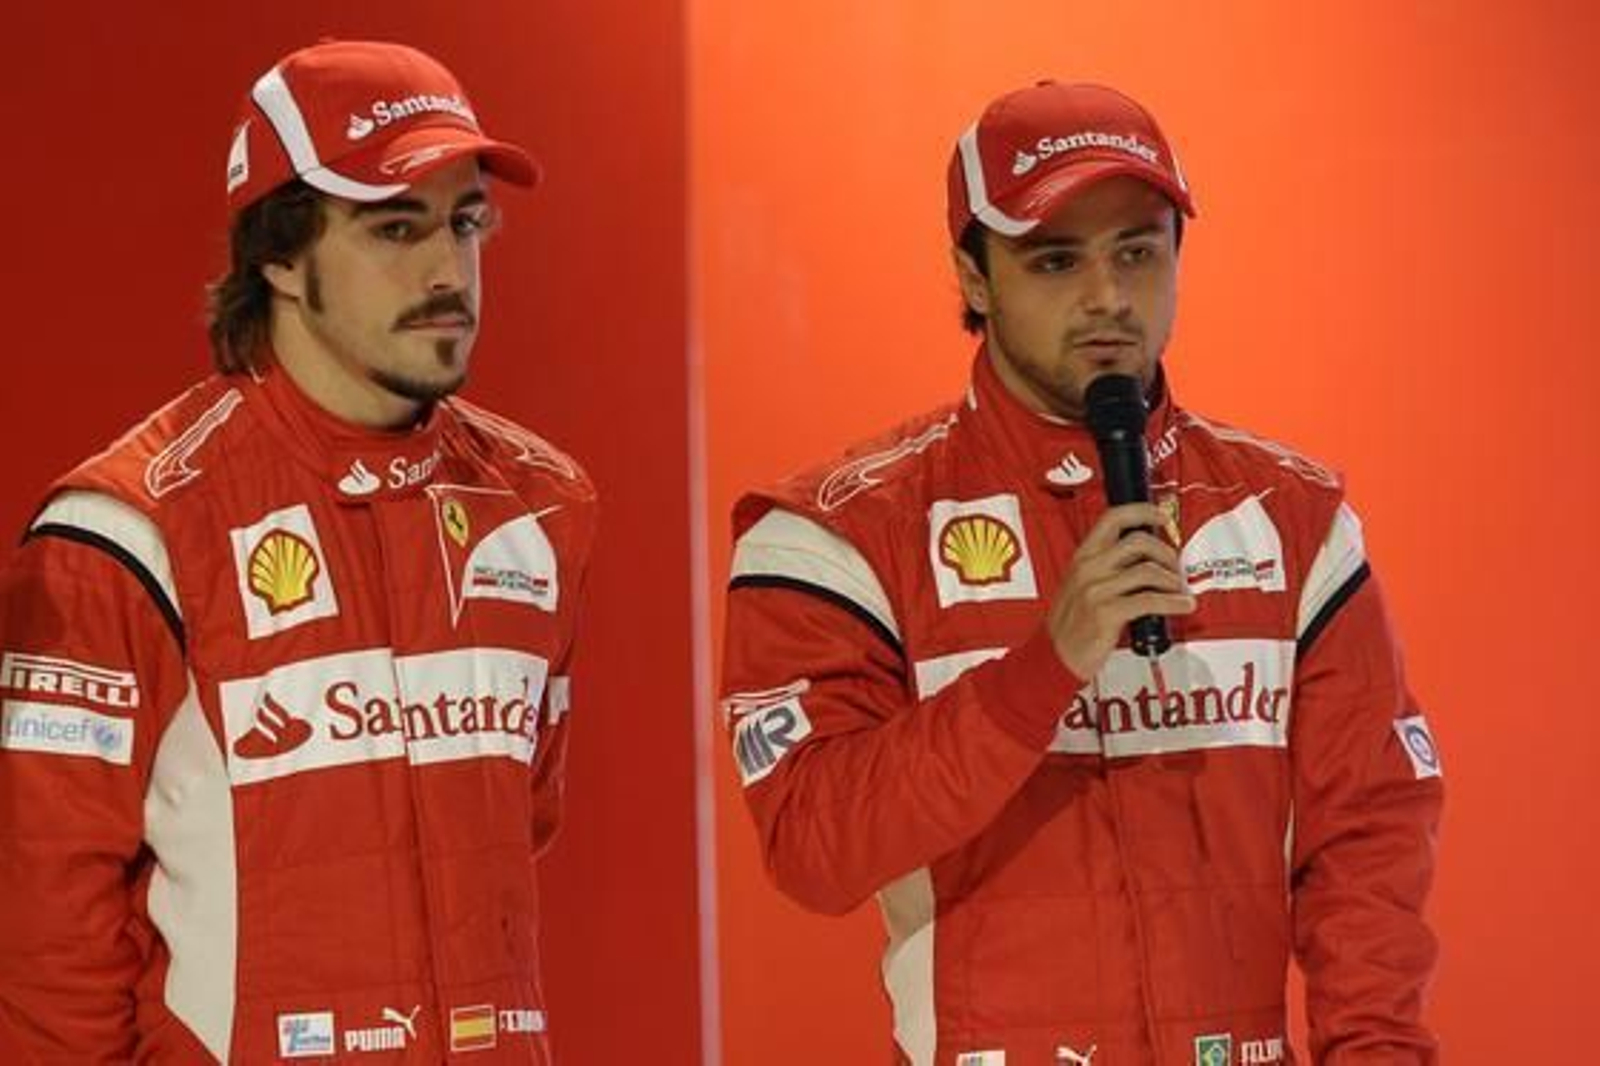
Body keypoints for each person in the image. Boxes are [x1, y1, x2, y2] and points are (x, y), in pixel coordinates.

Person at [720, 81, 1442, 1065]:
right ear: (971, 277)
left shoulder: (1293, 517)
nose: (1107, 297)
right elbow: (814, 847)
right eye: (1055, 260)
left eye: (1136, 251)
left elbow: (1368, 848)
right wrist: (1042, 667)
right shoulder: (834, 534)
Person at [0, 40, 596, 1062]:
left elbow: (513, 825)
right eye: (394, 228)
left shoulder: (539, 506)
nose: (447, 270)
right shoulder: (122, 536)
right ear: (277, 254)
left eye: (465, 223)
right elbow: (43, 947)